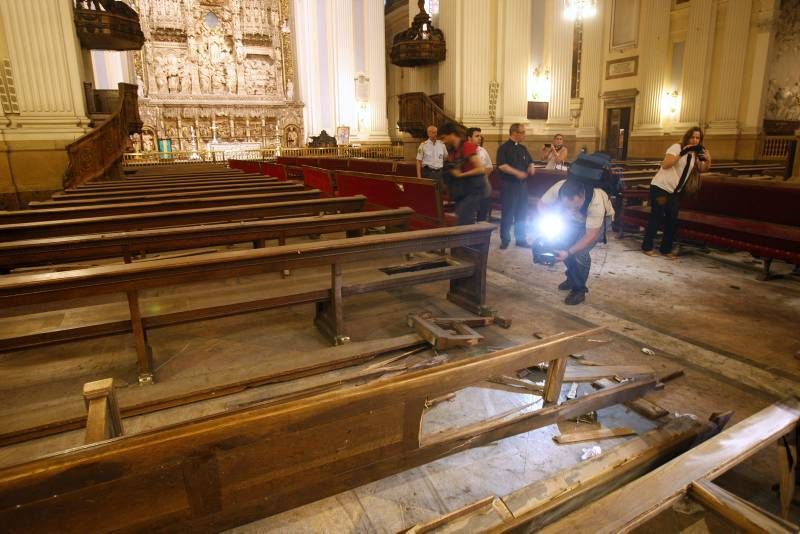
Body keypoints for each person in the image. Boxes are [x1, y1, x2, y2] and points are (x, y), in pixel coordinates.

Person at [538, 178, 615, 305]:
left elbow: (590, 236)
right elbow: (541, 204)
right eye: (567, 206)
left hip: (600, 221)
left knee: (579, 252)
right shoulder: (558, 188)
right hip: (577, 220)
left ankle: (579, 290)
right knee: (563, 244)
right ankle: (572, 277)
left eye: (575, 206)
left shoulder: (596, 202)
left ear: (583, 196)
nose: (571, 210)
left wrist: (568, 252)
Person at [642, 126, 711, 258]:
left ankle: (665, 249)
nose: (695, 140)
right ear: (687, 137)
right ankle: (647, 246)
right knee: (657, 215)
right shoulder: (677, 147)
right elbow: (666, 164)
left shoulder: (695, 153)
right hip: (660, 188)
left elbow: (702, 169)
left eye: (698, 138)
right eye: (693, 137)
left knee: (672, 219)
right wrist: (683, 152)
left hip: (674, 192)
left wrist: (708, 158)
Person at [497, 123, 536, 249]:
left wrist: (531, 166)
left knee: (522, 213)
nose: (524, 135)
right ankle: (505, 239)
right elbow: (502, 165)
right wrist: (517, 173)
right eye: (522, 132)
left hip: (522, 186)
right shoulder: (503, 148)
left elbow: (530, 161)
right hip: (509, 185)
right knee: (508, 213)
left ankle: (520, 239)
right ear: (515, 133)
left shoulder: (523, 148)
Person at [439, 122, 486, 225]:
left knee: (464, 222)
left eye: (444, 137)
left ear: (452, 134)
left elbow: (481, 169)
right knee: (462, 221)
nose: (443, 141)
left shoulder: (467, 146)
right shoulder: (453, 150)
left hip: (473, 190)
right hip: (463, 192)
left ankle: (471, 240)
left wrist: (460, 175)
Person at [466, 127, 494, 222]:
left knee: (482, 213)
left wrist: (480, 175)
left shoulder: (483, 151)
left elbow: (489, 168)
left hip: (482, 186)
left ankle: (481, 234)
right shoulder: (463, 151)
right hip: (468, 188)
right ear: (469, 138)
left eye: (480, 136)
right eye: (476, 136)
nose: (479, 138)